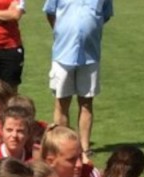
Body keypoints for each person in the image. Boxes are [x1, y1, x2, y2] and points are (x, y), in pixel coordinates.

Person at [43, 0, 113, 160]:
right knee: (62, 103)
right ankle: (61, 146)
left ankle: (85, 148)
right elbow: (50, 12)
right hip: (63, 53)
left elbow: (105, 15)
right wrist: (62, 31)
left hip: (90, 53)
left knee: (87, 103)